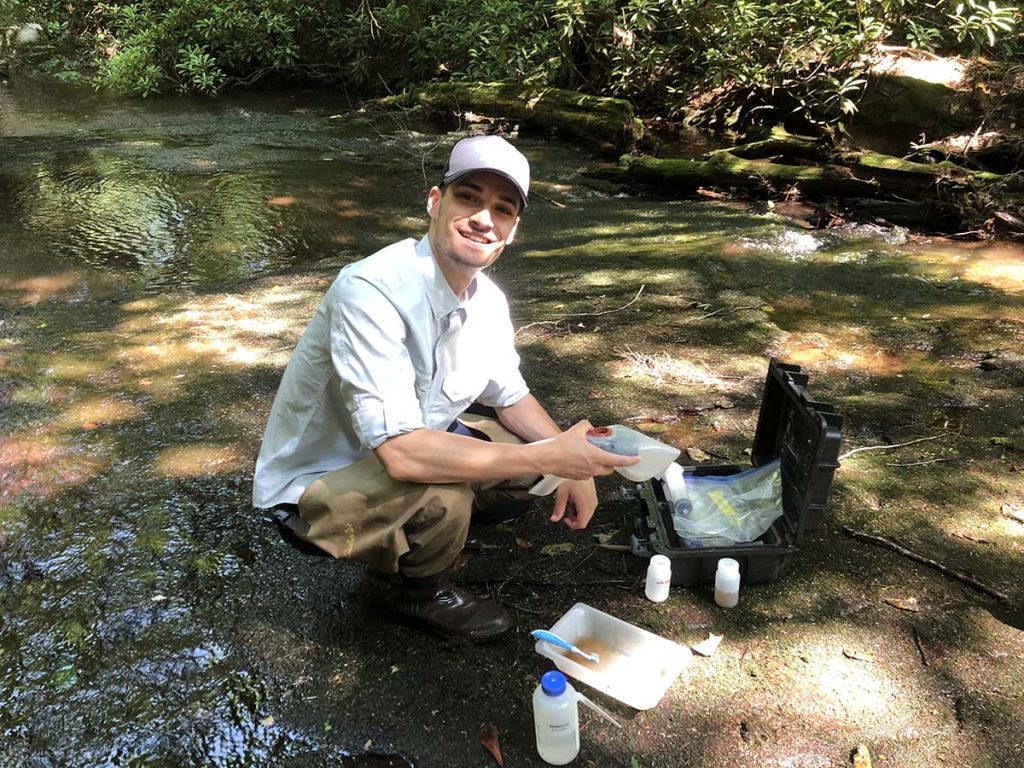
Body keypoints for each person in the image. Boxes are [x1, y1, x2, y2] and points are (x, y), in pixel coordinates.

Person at [252, 135, 638, 641]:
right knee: (445, 491)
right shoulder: (371, 290)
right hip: (316, 483)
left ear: (511, 231)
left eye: (502, 209)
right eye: (469, 197)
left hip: (406, 448)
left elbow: (510, 396)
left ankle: (409, 543)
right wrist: (551, 458)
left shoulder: (489, 302)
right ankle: (418, 593)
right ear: (435, 202)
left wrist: (572, 463)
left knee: (521, 460)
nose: (484, 218)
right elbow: (405, 457)